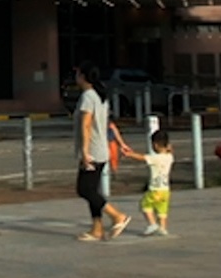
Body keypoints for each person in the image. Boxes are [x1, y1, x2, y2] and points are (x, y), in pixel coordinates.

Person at [72, 62, 132, 241]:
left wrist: (84, 151)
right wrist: (120, 142)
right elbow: (108, 123)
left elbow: (86, 124)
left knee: (84, 189)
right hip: (101, 149)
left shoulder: (88, 97)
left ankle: (117, 216)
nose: (76, 78)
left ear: (83, 77)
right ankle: (97, 228)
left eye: (78, 75)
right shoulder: (100, 96)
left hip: (92, 151)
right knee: (93, 190)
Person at [132, 128, 176, 237]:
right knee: (162, 210)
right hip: (165, 190)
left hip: (154, 189)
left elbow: (142, 158)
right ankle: (163, 228)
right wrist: (169, 149)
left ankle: (152, 224)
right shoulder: (169, 157)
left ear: (155, 145)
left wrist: (129, 154)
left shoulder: (155, 158)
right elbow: (170, 151)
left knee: (145, 205)